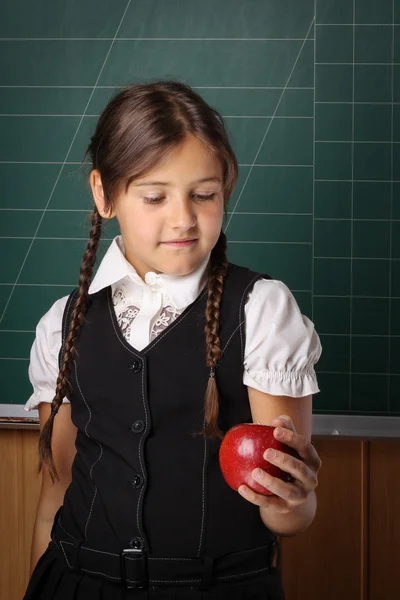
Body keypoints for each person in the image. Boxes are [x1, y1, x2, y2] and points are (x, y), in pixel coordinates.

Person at [22, 80, 322, 600]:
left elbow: (291, 515)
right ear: (104, 194)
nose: (183, 219)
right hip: (75, 584)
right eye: (155, 196)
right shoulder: (63, 323)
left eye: (204, 194)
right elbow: (56, 496)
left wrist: (290, 498)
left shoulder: (262, 310)